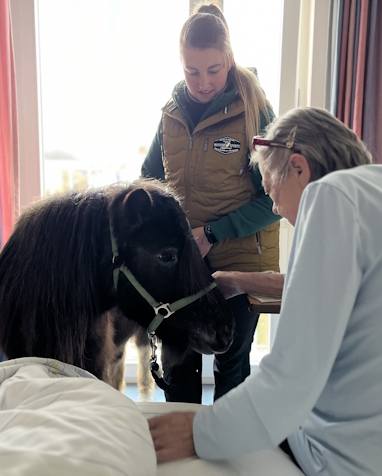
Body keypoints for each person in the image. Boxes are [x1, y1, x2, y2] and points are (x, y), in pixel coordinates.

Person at [148, 107, 382, 475]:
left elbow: (289, 381)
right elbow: (346, 289)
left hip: (378, 461)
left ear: (299, 168)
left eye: (272, 192)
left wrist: (199, 432)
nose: (276, 209)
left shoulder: (331, 195)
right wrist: (241, 280)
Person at [141, 2, 281, 403]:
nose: (202, 82)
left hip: (240, 263)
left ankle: (227, 459)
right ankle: (183, 457)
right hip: (184, 264)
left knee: (230, 367)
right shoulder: (170, 115)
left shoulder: (257, 112)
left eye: (213, 70)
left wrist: (213, 233)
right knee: (178, 362)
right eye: (192, 71)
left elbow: (274, 200)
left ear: (230, 59)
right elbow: (148, 180)